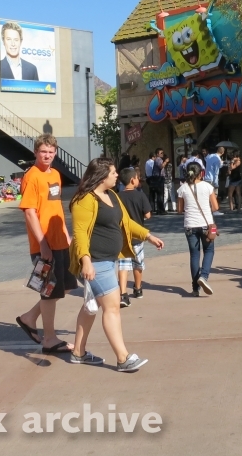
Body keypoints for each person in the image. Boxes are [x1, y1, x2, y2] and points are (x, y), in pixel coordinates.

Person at [70, 158, 164, 371]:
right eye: (113, 173)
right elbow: (80, 234)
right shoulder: (84, 200)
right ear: (102, 175)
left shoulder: (112, 195)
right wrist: (86, 262)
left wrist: (148, 236)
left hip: (108, 260)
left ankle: (78, 352)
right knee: (112, 307)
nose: (116, 176)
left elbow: (126, 222)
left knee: (89, 308)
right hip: (95, 262)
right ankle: (123, 358)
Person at [15, 134, 75, 354]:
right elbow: (30, 212)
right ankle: (49, 339)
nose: (47, 155)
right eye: (43, 151)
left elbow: (55, 208)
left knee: (66, 286)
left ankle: (29, 318)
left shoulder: (56, 175)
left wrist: (65, 235)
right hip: (44, 244)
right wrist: (42, 244)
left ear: (55, 153)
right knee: (49, 292)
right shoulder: (32, 176)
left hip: (60, 240)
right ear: (35, 153)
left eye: (50, 151)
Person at [178, 162, 218, 296]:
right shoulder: (207, 186)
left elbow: (179, 210)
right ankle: (204, 276)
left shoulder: (182, 188)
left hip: (190, 225)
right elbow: (216, 207)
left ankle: (195, 289)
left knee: (194, 255)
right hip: (206, 225)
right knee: (209, 250)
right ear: (201, 173)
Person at [115, 167, 152, 306]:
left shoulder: (117, 196)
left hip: (122, 237)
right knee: (138, 264)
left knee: (123, 265)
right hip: (138, 237)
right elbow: (148, 215)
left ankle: (123, 294)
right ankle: (138, 289)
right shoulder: (140, 195)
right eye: (137, 178)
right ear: (133, 180)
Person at [204, 146, 224, 216]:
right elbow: (216, 172)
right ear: (222, 152)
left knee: (207, 196)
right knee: (214, 195)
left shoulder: (210, 156)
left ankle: (208, 210)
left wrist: (220, 164)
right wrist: (216, 183)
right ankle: (214, 210)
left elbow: (207, 161)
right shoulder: (217, 160)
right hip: (212, 179)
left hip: (206, 178)